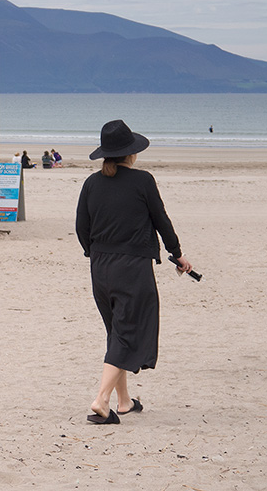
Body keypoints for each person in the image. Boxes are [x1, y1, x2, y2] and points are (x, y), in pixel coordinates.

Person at [76, 120, 193, 425]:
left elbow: (81, 228)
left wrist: (96, 254)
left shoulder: (91, 183)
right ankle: (101, 400)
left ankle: (124, 401)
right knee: (127, 331)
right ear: (131, 154)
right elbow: (161, 221)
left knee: (117, 332)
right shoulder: (143, 181)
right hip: (132, 268)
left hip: (100, 268)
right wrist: (177, 254)